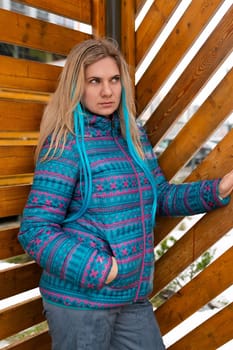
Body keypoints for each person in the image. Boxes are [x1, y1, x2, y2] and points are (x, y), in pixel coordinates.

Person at [18, 38, 233, 350]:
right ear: (77, 86)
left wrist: (218, 189)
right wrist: (103, 270)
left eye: (114, 80)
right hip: (81, 303)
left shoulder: (131, 136)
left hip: (130, 297)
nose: (107, 91)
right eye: (95, 81)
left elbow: (159, 195)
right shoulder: (66, 143)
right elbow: (35, 230)